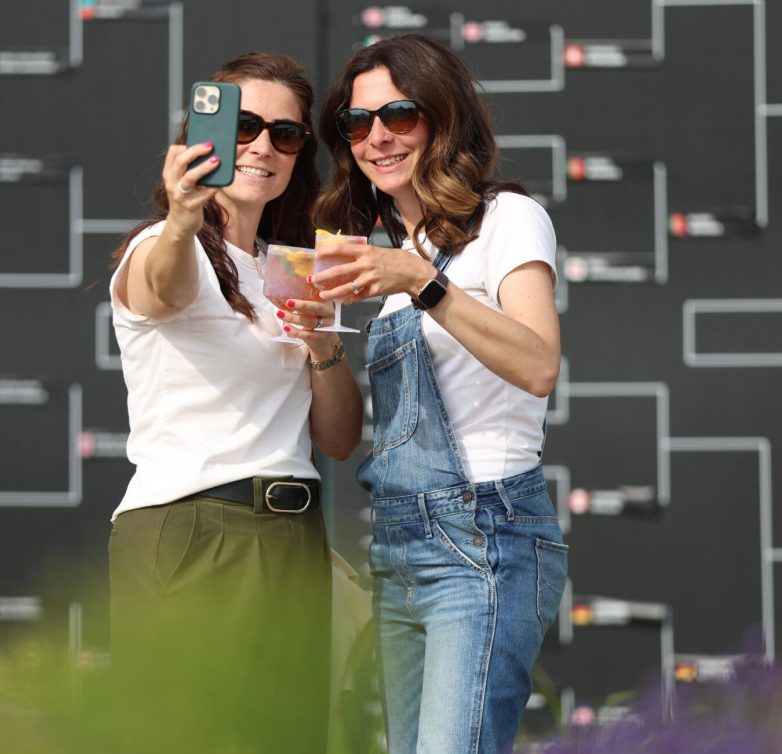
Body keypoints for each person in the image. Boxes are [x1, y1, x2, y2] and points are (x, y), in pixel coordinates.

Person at [311, 34, 569, 754]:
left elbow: (540, 363)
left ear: (443, 114)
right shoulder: (405, 251)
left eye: (399, 113)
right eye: (356, 124)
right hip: (398, 547)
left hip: (484, 536)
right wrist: (320, 343)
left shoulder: (506, 219)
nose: (377, 137)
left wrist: (421, 283)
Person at [108, 52, 362, 753]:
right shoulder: (165, 249)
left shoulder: (293, 266)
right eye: (245, 126)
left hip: (292, 538)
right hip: (197, 527)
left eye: (286, 134)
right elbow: (158, 291)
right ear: (204, 136)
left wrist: (322, 348)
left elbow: (340, 439)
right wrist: (184, 219)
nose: (262, 147)